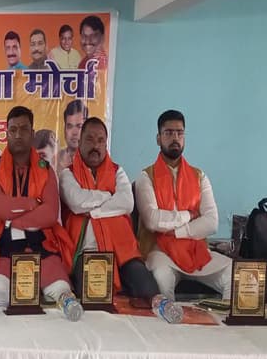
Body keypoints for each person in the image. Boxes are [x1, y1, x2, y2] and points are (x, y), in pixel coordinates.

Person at [0, 106, 77, 306]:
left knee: (61, 291)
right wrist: (32, 203)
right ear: (7, 133)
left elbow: (50, 213)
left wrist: (13, 221)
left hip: (41, 246)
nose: (18, 135)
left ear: (32, 134)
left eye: (24, 129)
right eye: (13, 130)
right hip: (4, 247)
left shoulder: (46, 169)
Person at [59, 118, 159, 301]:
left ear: (106, 145)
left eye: (100, 140)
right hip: (86, 251)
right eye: (89, 139)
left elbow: (127, 203)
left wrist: (93, 212)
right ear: (79, 142)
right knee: (93, 297)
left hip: (122, 250)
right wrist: (108, 196)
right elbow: (77, 201)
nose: (95, 146)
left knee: (147, 290)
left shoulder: (118, 171)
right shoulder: (67, 174)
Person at [135, 110, 231, 301]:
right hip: (159, 251)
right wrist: (189, 215)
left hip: (195, 250)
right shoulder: (146, 177)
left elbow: (211, 222)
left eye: (179, 133)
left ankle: (216, 321)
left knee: (236, 275)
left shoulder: (199, 176)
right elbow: (153, 220)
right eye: (168, 133)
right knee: (162, 279)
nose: (175, 138)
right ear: (158, 138)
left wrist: (177, 232)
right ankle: (168, 321)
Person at [57, 99, 88, 173]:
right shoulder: (55, 159)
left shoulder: (93, 159)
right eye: (70, 126)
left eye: (79, 126)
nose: (74, 133)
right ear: (64, 129)